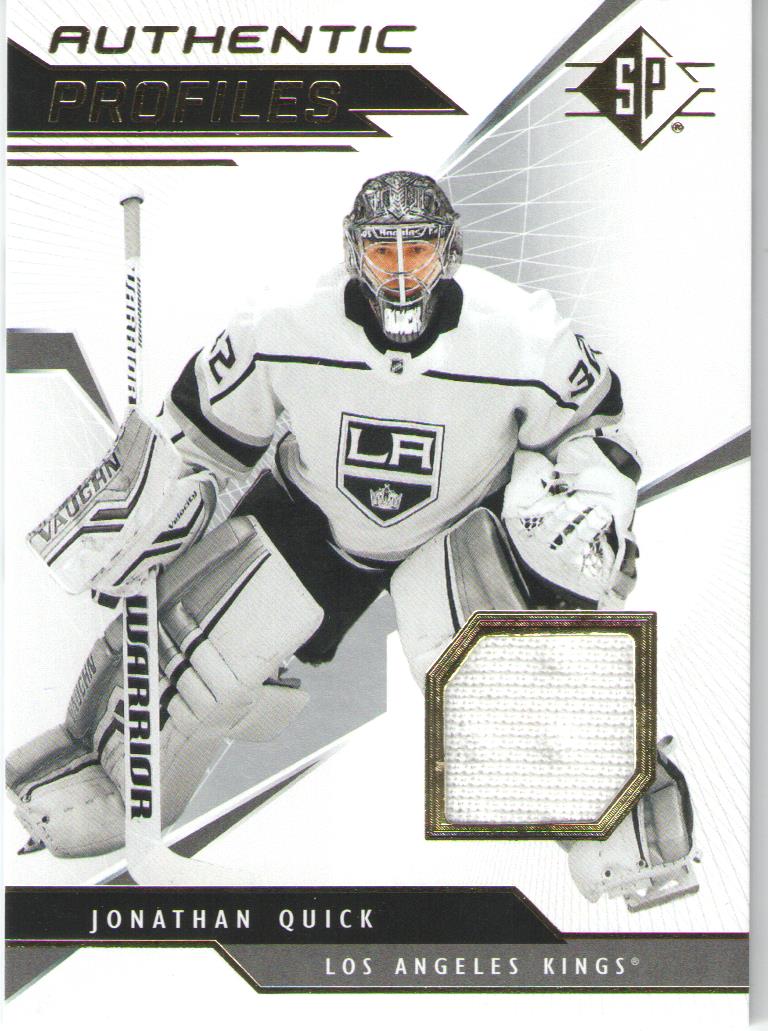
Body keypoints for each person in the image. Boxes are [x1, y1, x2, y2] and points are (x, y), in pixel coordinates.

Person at [7, 171, 698, 909]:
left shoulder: (523, 333)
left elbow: (596, 427)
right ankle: (102, 777)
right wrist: (153, 507)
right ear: (352, 253)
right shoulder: (282, 325)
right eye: (381, 252)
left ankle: (629, 830)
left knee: (510, 679)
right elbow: (199, 436)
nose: (399, 271)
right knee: (178, 656)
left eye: (417, 251)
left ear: (450, 250)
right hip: (316, 521)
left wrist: (595, 506)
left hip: (459, 527)